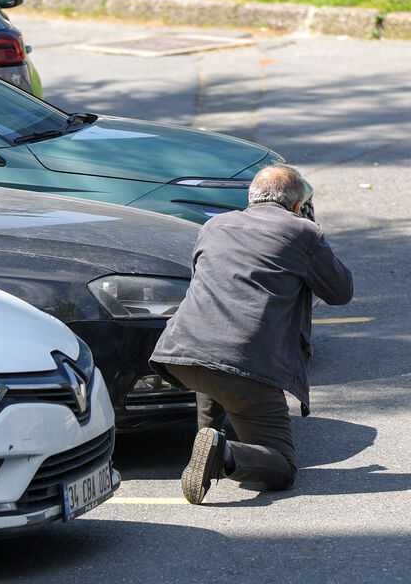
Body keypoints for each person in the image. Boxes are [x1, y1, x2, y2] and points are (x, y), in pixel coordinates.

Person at [150, 164, 353, 504]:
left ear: (251, 197)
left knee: (215, 369)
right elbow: (340, 291)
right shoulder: (302, 232)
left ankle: (208, 441)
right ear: (295, 205)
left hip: (182, 351)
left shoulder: (215, 225)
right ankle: (224, 454)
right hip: (245, 364)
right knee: (283, 467)